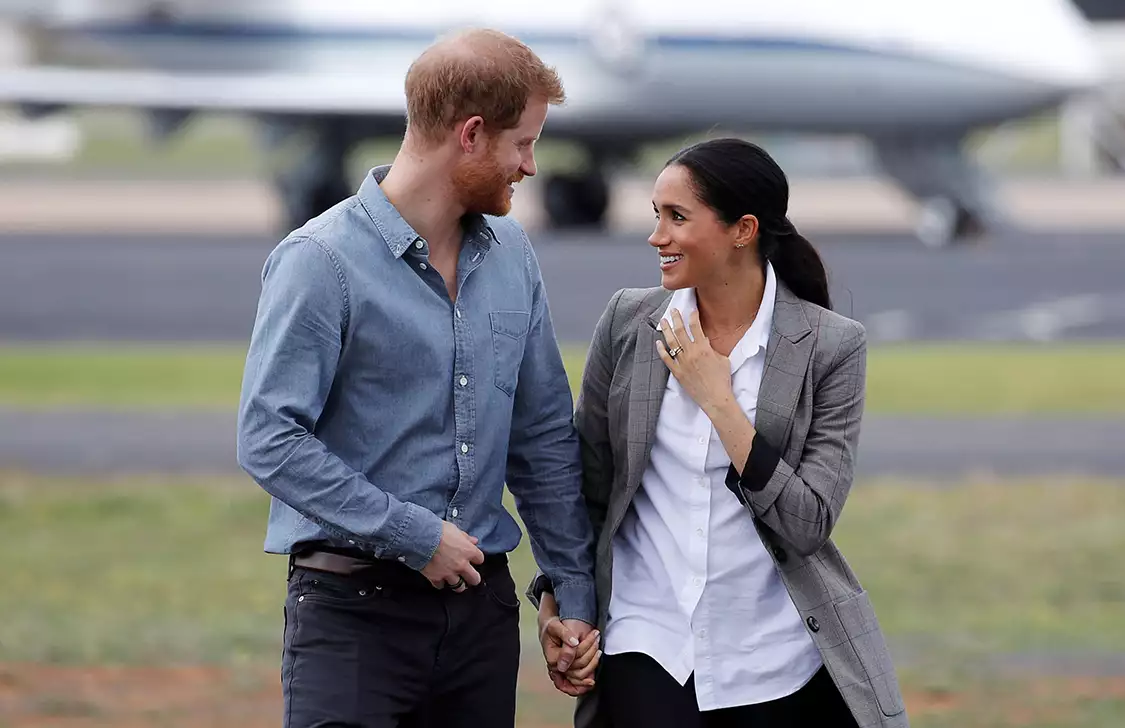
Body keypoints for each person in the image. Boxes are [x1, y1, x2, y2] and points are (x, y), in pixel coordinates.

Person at [235, 28, 599, 728]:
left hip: (482, 621)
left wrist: (573, 596)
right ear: (470, 134)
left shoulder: (515, 256)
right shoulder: (321, 261)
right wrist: (413, 534)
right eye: (522, 144)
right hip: (353, 622)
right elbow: (268, 436)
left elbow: (544, 439)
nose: (530, 166)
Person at [529, 137, 909, 727]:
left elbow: (808, 523)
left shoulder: (831, 348)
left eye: (677, 217)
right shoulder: (629, 323)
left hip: (774, 661)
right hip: (648, 646)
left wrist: (719, 401)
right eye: (657, 214)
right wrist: (559, 602)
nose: (657, 236)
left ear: (743, 229)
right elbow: (589, 489)